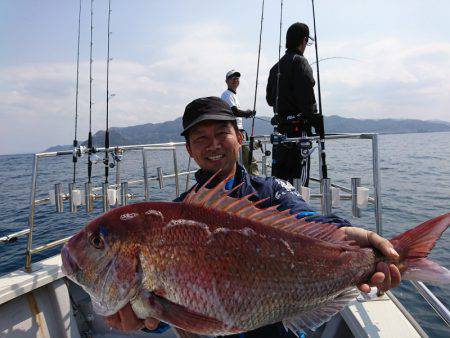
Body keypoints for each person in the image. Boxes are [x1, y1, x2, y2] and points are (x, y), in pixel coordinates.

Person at [105, 97, 401, 337]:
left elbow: (313, 225)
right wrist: (147, 322)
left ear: (240, 138)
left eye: (222, 133)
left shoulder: (271, 192)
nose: (213, 144)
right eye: (201, 138)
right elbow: (171, 312)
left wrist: (354, 239)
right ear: (190, 150)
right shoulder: (176, 216)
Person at [266, 22, 319, 187]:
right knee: (299, 183)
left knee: (280, 180)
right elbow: (308, 101)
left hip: (280, 132)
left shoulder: (275, 68)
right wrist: (316, 122)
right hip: (299, 132)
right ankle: (297, 210)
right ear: (303, 40)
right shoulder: (301, 62)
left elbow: (269, 100)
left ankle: (280, 211)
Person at [221, 70, 259, 176]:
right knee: (251, 162)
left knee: (242, 162)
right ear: (226, 81)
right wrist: (247, 113)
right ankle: (256, 186)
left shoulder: (233, 95)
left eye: (237, 78)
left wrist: (248, 113)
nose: (235, 80)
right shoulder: (226, 94)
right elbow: (234, 111)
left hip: (238, 133)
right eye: (232, 78)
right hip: (235, 133)